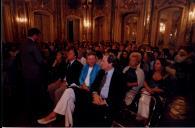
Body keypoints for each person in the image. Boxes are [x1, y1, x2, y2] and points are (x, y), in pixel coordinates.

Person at [37, 52, 101, 126]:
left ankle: (53, 114)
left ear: (96, 59)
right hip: (81, 88)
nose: (91, 61)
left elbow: (97, 83)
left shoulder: (99, 69)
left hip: (90, 91)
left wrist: (88, 87)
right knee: (69, 100)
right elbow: (80, 78)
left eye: (93, 59)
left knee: (68, 91)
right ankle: (68, 125)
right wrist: (82, 84)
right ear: (87, 60)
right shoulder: (85, 67)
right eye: (89, 59)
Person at [20, 28, 50, 120]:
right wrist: (46, 62)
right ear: (35, 35)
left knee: (28, 93)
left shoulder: (23, 44)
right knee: (36, 93)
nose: (38, 37)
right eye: (38, 35)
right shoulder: (33, 45)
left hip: (26, 72)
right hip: (35, 74)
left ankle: (29, 113)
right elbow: (40, 60)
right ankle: (36, 113)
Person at [136, 59, 166, 124]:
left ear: (162, 66)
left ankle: (145, 118)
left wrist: (152, 90)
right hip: (148, 90)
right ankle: (144, 117)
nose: (155, 65)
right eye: (155, 63)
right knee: (143, 98)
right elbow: (144, 82)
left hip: (158, 94)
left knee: (147, 98)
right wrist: (149, 89)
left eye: (158, 64)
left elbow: (163, 89)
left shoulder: (165, 76)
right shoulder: (151, 72)